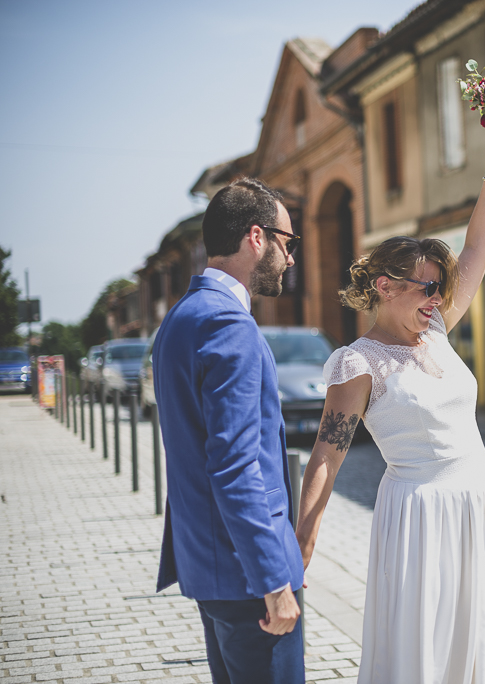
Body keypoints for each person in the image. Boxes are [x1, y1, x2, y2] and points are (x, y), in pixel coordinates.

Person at [295, 141, 485, 683]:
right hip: (420, 513)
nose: (437, 296)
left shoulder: (436, 328)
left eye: (440, 287)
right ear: (385, 286)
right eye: (427, 287)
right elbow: (326, 458)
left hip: (482, 498)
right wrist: (301, 541)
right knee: (427, 643)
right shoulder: (358, 363)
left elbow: (481, 243)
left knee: (483, 631)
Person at [153, 178, 306, 684]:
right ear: (256, 238)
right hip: (248, 577)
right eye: (288, 243)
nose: (290, 259)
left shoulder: (181, 318)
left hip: (208, 568)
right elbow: (236, 467)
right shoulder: (229, 327)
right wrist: (272, 579)